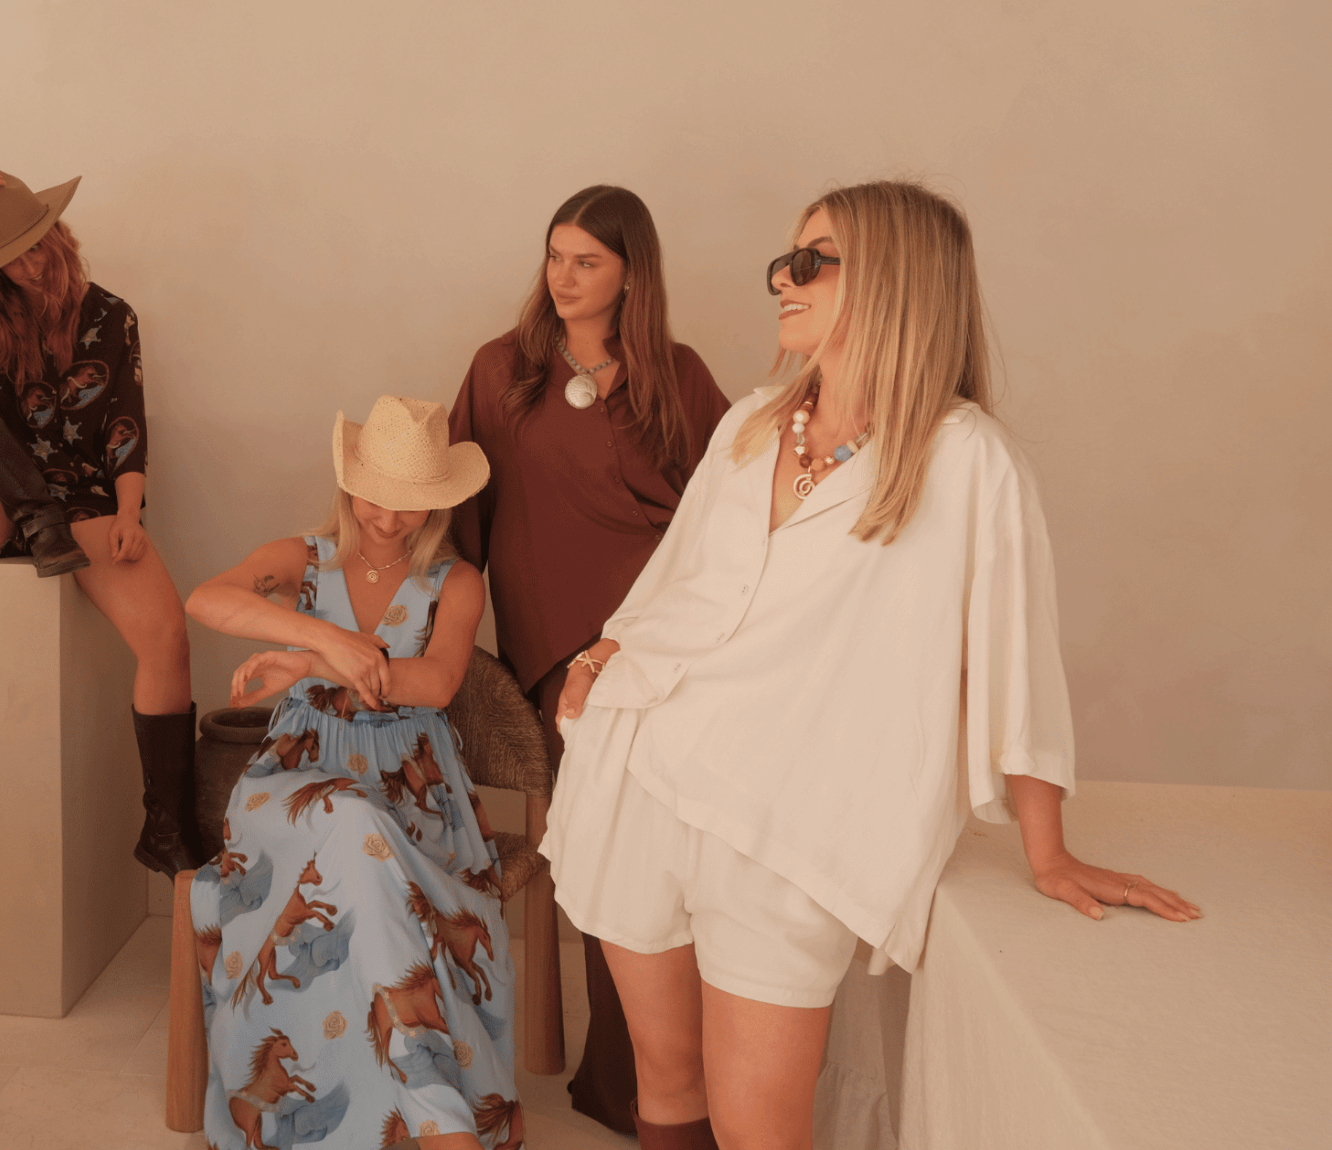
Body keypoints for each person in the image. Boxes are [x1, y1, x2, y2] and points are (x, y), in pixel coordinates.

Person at [543, 180, 1199, 1150]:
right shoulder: (750, 424)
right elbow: (676, 578)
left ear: (895, 278)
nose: (784, 277)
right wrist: (603, 652)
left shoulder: (965, 459)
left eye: (812, 260)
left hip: (785, 824)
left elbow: (1010, 656)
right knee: (667, 1090)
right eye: (785, 259)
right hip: (638, 770)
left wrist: (1047, 847)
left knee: (758, 1127)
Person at [447, 183, 729, 1131]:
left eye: (587, 262)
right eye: (555, 256)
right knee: (618, 863)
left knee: (688, 857)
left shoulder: (679, 375)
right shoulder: (503, 370)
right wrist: (441, 647)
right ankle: (633, 1091)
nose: (563, 278)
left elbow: (731, 513)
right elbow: (462, 520)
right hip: (566, 656)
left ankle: (701, 1079)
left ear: (630, 275)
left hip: (676, 644)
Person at [183, 396, 521, 1150]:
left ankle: (421, 1112)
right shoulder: (303, 558)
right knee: (348, 818)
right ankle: (440, 1123)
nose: (389, 519)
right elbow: (207, 599)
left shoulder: (457, 581)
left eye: (409, 503)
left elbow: (436, 684)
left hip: (414, 784)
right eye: (375, 497)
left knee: (364, 841)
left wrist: (311, 662)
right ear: (349, 483)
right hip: (296, 774)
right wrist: (324, 637)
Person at [0, 168, 200, 874]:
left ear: (59, 236)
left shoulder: (110, 315)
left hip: (75, 503)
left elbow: (124, 421)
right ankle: (30, 507)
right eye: (8, 256)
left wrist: (129, 512)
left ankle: (167, 826)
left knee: (168, 635)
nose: (27, 265)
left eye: (36, 245)